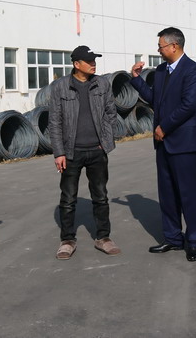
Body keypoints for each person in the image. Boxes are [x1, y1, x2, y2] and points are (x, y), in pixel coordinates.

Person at [130, 27, 196, 262]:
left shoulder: (192, 71)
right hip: (163, 143)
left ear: (174, 46)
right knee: (167, 193)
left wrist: (164, 127)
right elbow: (155, 99)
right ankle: (172, 238)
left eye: (161, 46)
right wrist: (136, 80)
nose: (158, 50)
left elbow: (188, 105)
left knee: (188, 194)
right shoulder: (162, 71)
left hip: (182, 142)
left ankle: (194, 241)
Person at [48, 45, 120, 260]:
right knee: (68, 199)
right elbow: (54, 122)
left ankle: (103, 238)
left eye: (94, 60)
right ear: (76, 64)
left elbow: (111, 113)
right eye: (89, 61)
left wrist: (104, 141)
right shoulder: (60, 87)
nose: (93, 64)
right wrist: (59, 152)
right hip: (71, 153)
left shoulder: (102, 84)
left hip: (97, 151)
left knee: (101, 196)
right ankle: (67, 240)